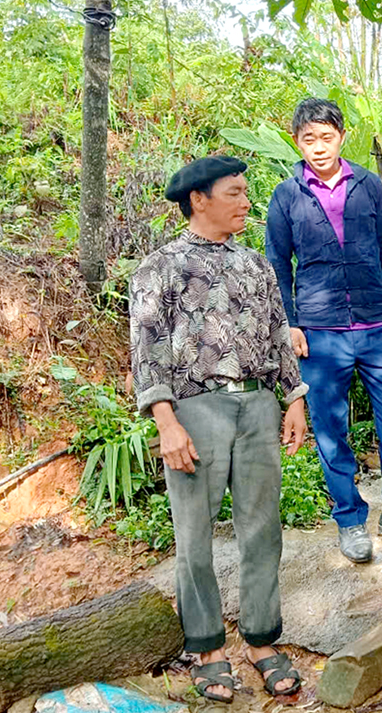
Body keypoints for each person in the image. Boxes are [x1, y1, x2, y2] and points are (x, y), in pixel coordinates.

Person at [130, 155, 306, 702]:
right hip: (194, 412)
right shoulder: (159, 267)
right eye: (234, 193)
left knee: (262, 528)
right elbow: (146, 350)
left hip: (257, 406)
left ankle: (261, 640)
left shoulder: (255, 265)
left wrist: (294, 399)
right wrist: (166, 422)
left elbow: (279, 332)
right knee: (194, 535)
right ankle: (205, 649)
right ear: (199, 200)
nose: (246, 202)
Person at [265, 98, 382, 564]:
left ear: (341, 137)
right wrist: (290, 323)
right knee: (331, 429)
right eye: (309, 139)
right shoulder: (287, 195)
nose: (319, 148)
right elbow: (276, 263)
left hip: (374, 324)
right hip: (320, 330)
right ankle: (349, 521)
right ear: (297, 141)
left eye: (326, 138)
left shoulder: (368, 186)